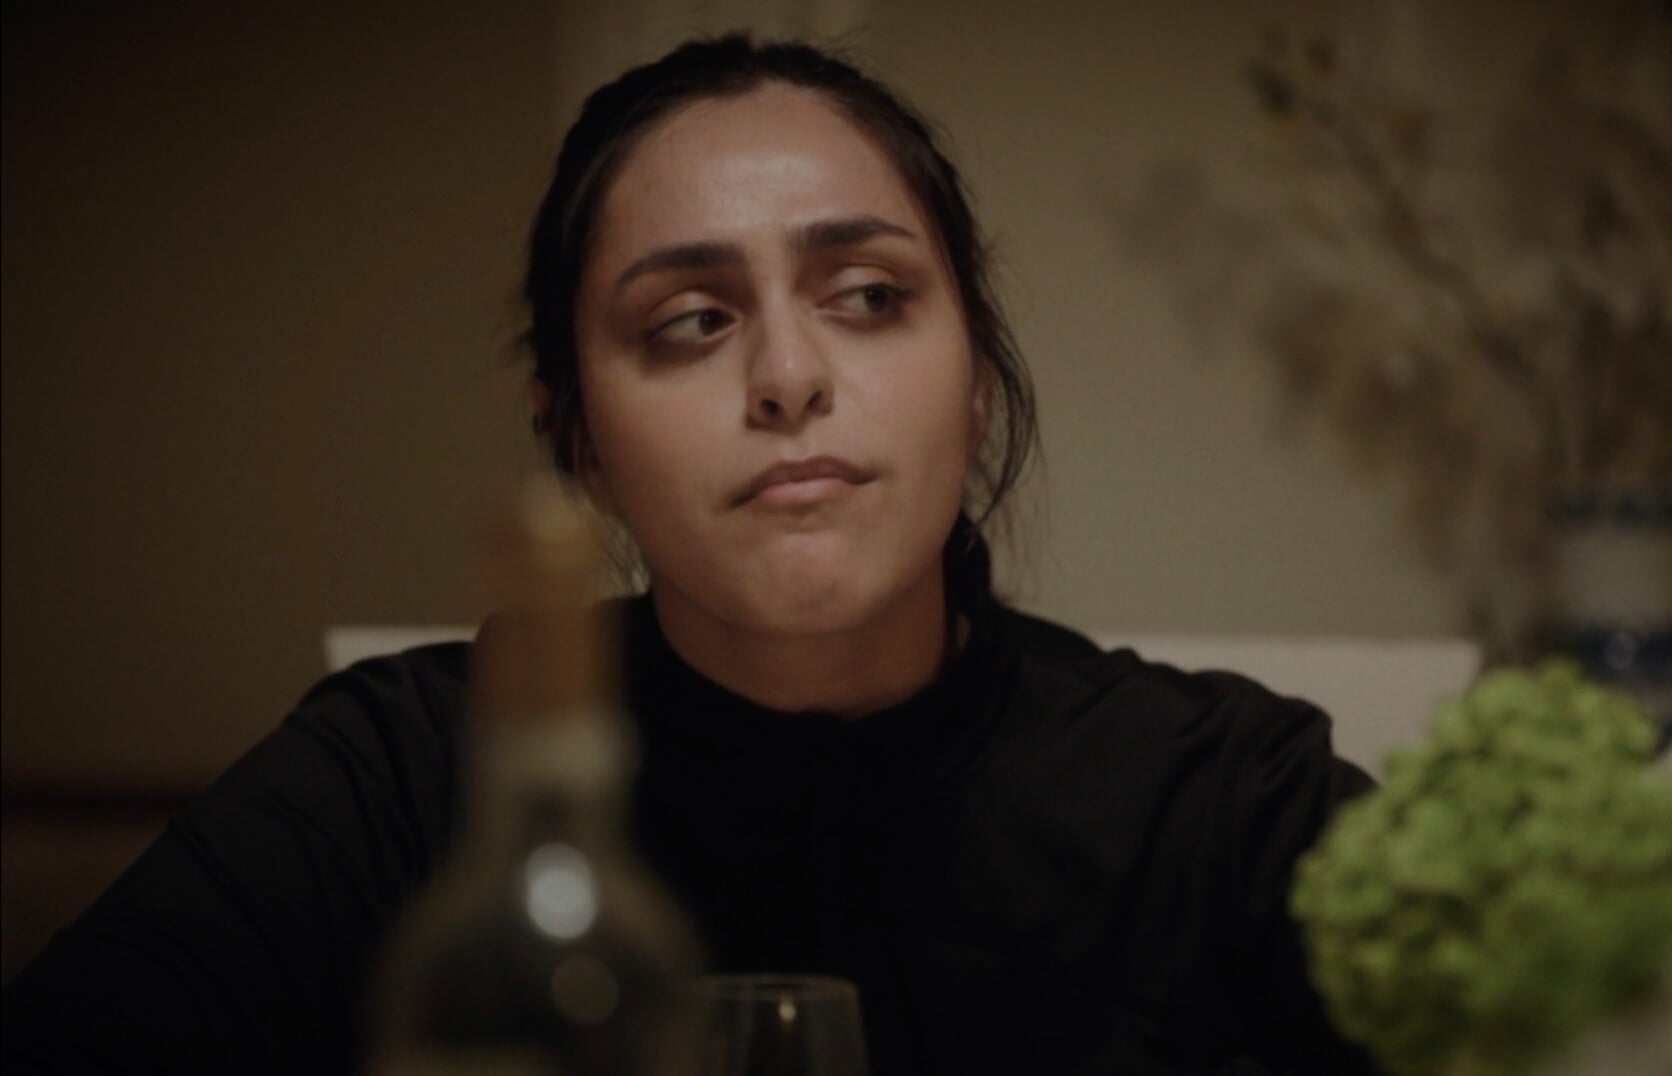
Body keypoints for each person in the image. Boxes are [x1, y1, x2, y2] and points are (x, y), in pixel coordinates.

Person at [2, 36, 1379, 1075]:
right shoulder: (398, 784)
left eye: (868, 296)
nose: (788, 375)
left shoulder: (1228, 807)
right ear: (577, 439)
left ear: (975, 381)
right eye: (690, 324)